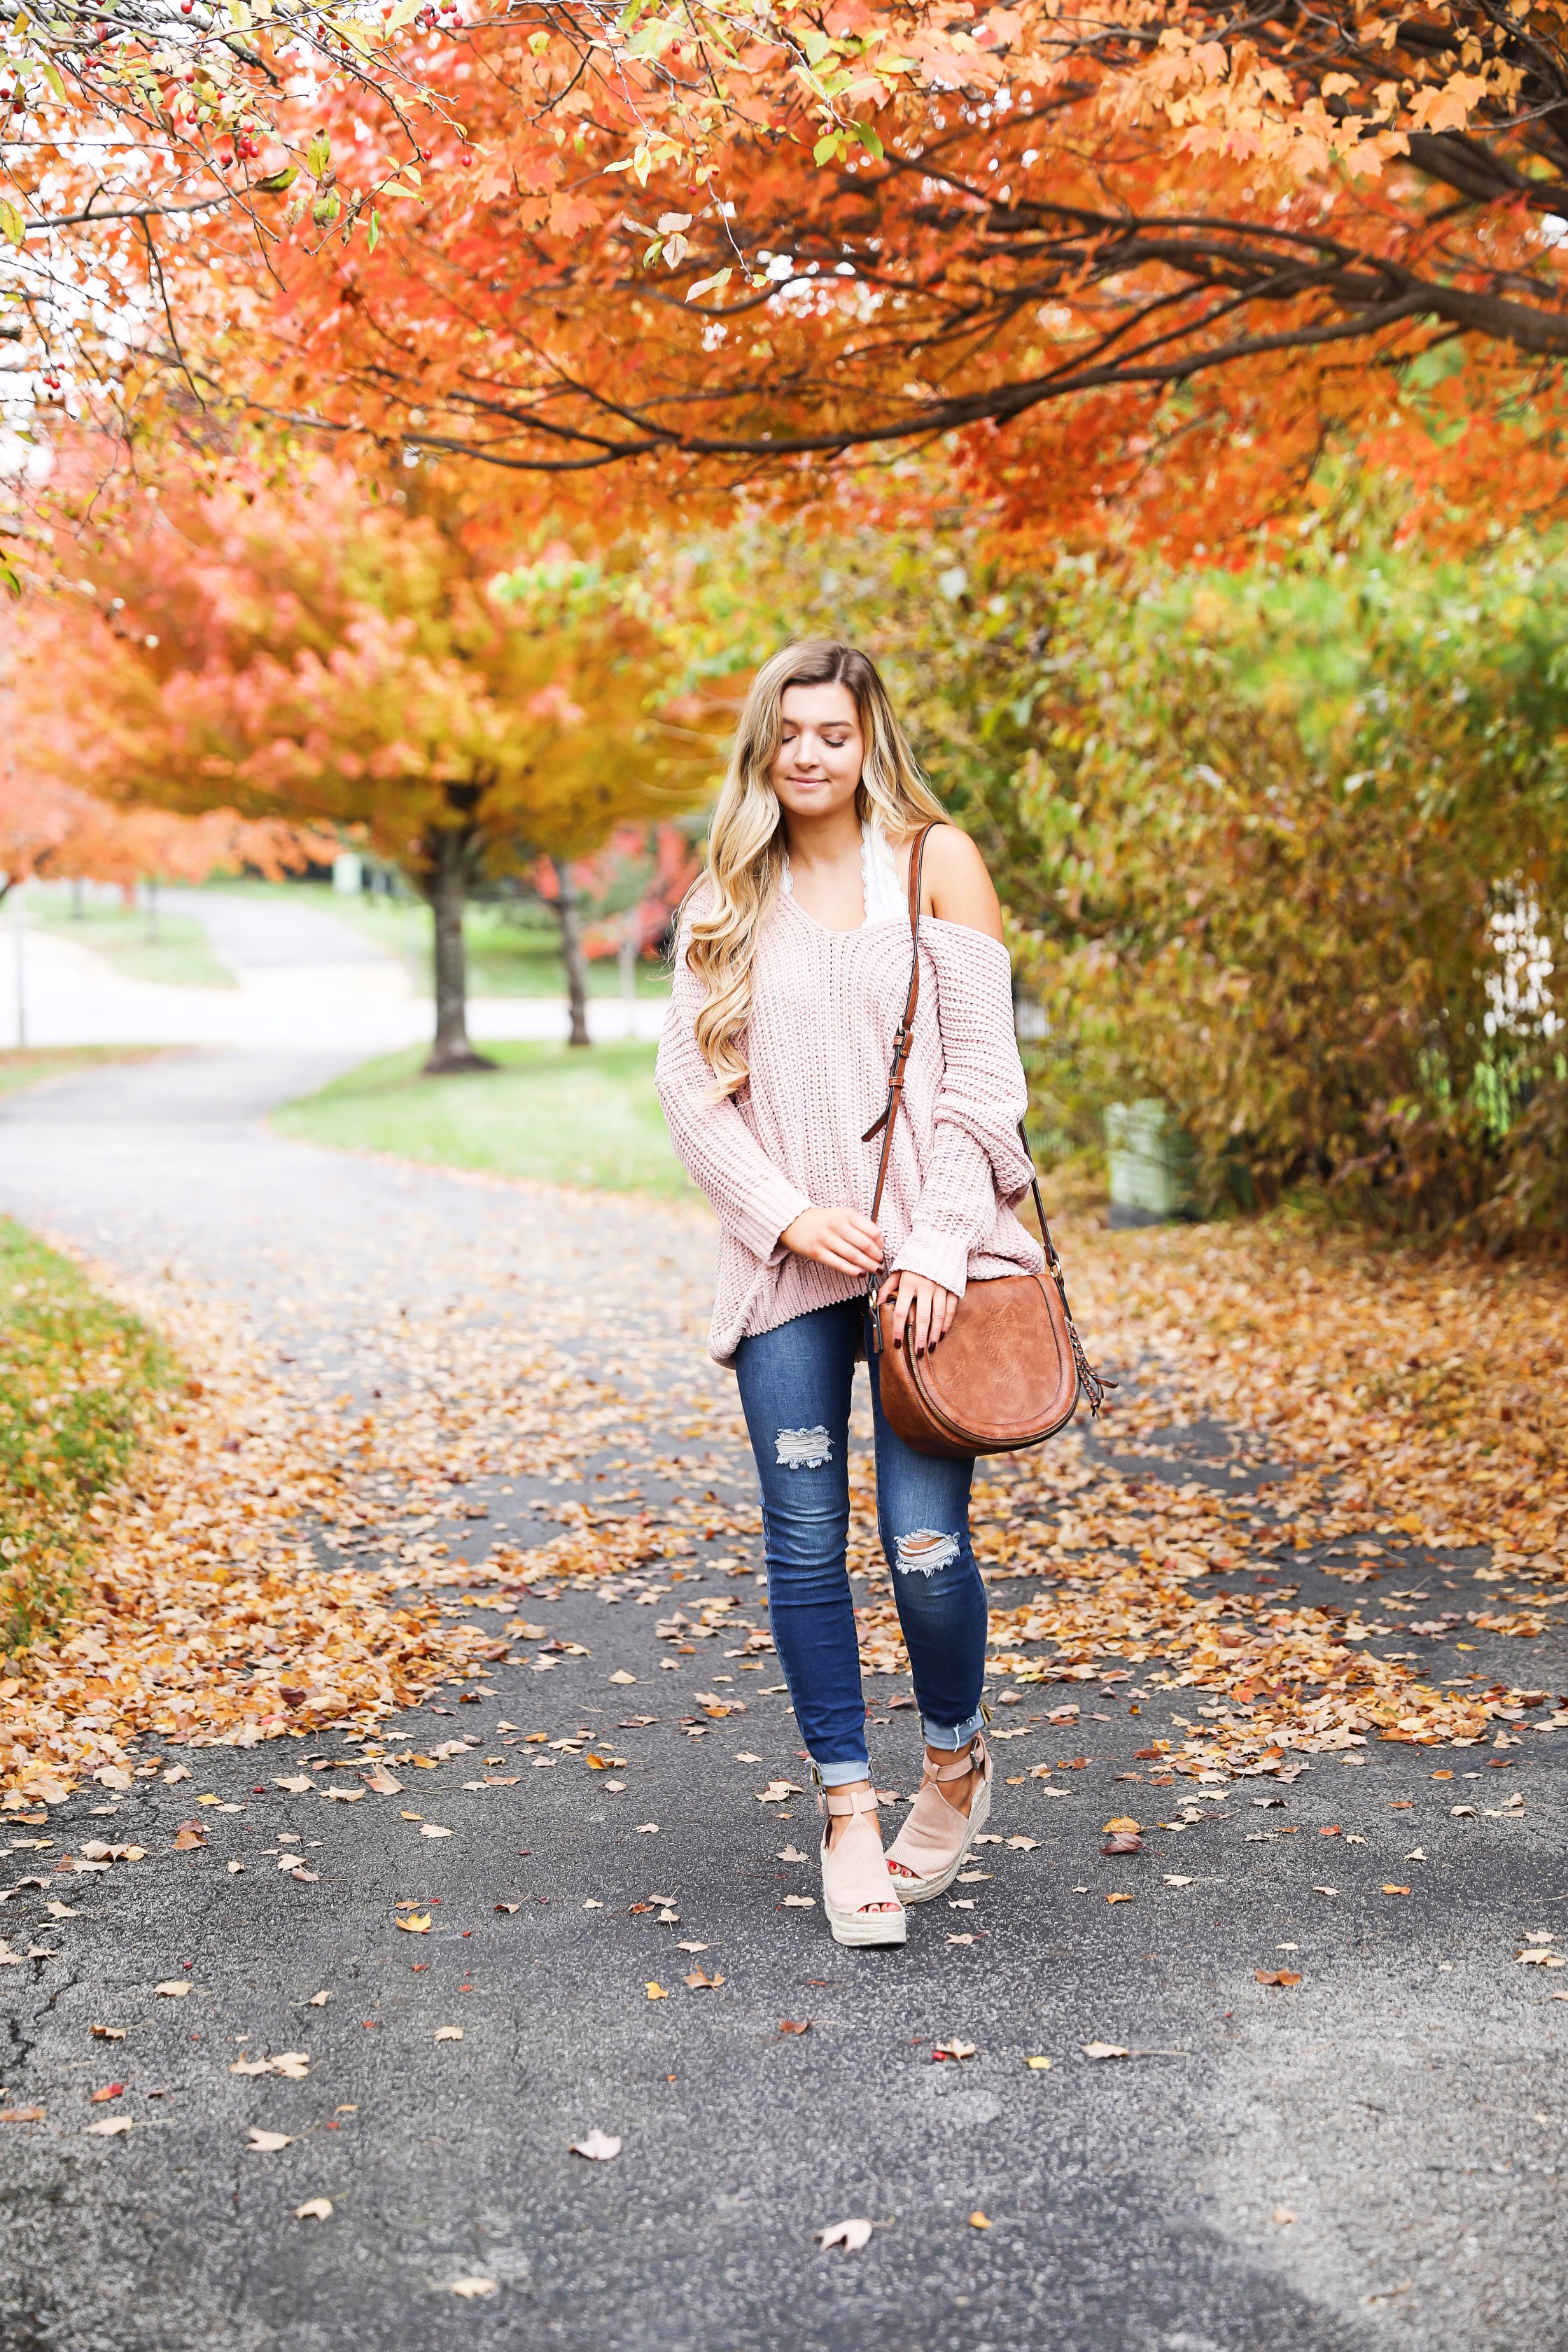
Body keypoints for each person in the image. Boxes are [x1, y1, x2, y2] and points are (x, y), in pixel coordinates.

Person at [654, 641, 1045, 1947]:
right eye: (790, 732)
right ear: (762, 747)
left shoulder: (937, 863)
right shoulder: (730, 893)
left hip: (932, 1273)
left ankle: (955, 1760)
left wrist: (937, 1244)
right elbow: (688, 1093)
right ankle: (846, 1812)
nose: (811, 753)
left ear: (872, 738)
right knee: (806, 1539)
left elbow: (988, 1082)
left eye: (835, 730)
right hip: (787, 1275)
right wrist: (787, 1216)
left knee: (924, 1548)